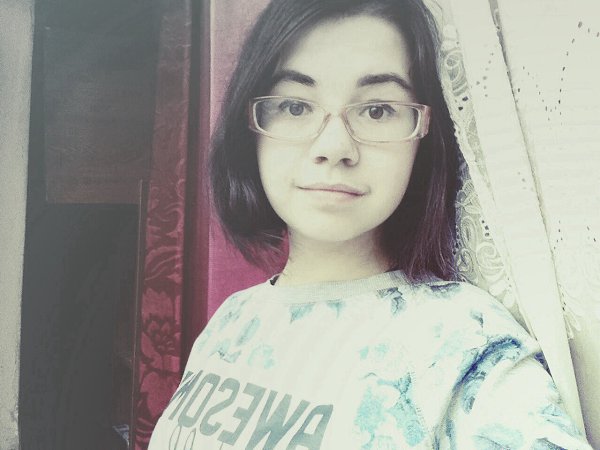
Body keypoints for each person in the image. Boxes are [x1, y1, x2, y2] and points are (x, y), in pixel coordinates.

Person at [148, 0, 593, 448]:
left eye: (377, 110)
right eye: (296, 106)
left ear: (423, 132)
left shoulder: (464, 346)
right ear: (252, 124)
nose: (334, 147)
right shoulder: (233, 320)